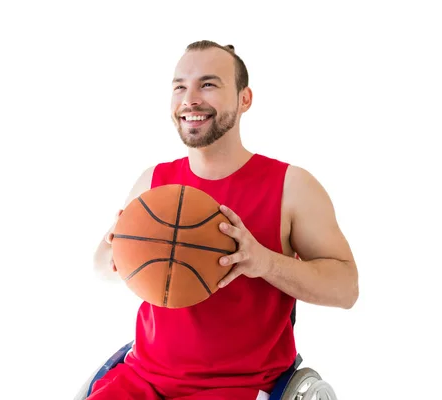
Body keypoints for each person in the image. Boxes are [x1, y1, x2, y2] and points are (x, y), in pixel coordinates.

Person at [90, 40, 359, 400]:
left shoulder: (292, 187)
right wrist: (121, 249)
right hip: (143, 378)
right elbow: (101, 268)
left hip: (240, 387)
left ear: (244, 99)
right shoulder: (152, 181)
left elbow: (346, 290)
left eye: (208, 84)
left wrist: (264, 262)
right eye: (180, 87)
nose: (190, 99)